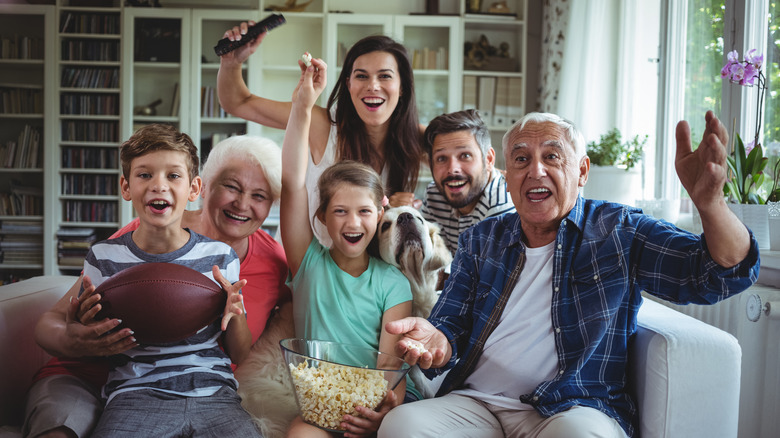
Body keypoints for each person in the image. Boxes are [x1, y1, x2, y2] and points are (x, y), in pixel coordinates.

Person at [378, 111, 760, 438]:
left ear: (581, 171)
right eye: (522, 160)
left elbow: (718, 273)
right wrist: (438, 341)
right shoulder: (482, 239)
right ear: (506, 175)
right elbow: (450, 322)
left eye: (552, 156)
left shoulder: (618, 229)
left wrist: (712, 205)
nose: (536, 170)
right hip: (478, 402)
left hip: (572, 405)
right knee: (402, 426)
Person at [24, 134, 289, 438]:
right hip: (98, 379)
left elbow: (272, 323)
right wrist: (76, 341)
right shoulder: (138, 236)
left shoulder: (258, 260)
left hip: (206, 391)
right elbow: (53, 322)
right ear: (206, 187)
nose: (242, 203)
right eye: (231, 186)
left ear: (192, 186)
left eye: (260, 195)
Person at [73, 124, 261, 437]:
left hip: (214, 395)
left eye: (173, 175)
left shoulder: (220, 256)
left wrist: (236, 313)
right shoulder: (103, 257)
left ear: (194, 188)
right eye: (145, 174)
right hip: (133, 396)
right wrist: (86, 327)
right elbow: (89, 345)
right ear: (126, 187)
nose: (159, 185)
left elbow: (240, 354)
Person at [280, 56, 416, 437]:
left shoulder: (393, 282)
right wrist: (303, 105)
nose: (353, 223)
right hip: (318, 408)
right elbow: (292, 182)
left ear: (380, 214)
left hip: (374, 406)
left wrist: (384, 412)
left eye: (363, 211)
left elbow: (392, 366)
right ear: (321, 216)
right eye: (340, 211)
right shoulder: (308, 263)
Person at [217, 24, 426, 247]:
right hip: (304, 267)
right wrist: (232, 61)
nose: (373, 86)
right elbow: (238, 102)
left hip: (367, 275)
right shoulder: (324, 124)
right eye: (361, 76)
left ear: (402, 86)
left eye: (385, 76)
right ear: (349, 84)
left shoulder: (418, 137)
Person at [420, 109, 515, 255]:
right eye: (441, 158)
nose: (452, 169)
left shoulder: (501, 208)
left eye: (465, 155)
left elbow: (483, 277)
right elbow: (432, 263)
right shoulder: (434, 195)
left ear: (488, 159)